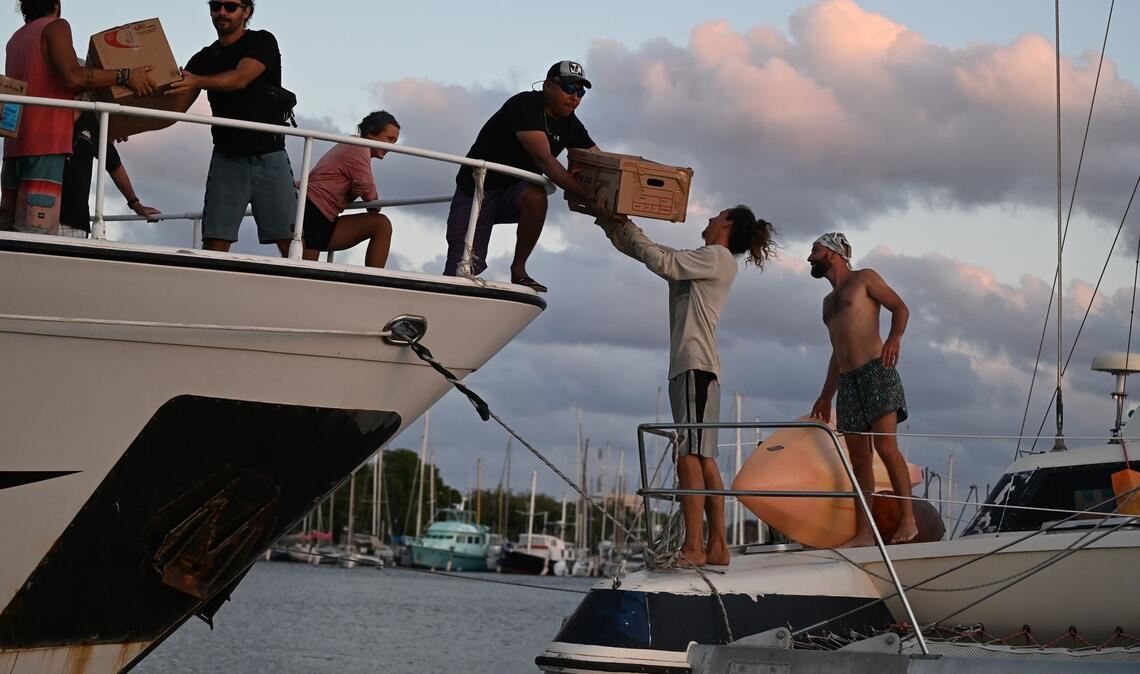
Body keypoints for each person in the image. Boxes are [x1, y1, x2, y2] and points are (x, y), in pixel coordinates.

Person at [596, 206, 777, 567]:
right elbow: (650, 252)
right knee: (703, 456)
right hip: (695, 368)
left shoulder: (715, 256)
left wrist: (623, 224)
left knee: (688, 455)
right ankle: (717, 547)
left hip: (695, 365)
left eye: (717, 215)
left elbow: (664, 262)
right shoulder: (705, 259)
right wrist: (611, 221)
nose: (709, 220)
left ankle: (695, 546)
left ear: (727, 223)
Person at [443, 60, 602, 291]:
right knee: (461, 269)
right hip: (477, 190)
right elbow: (543, 159)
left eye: (580, 92)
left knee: (536, 196)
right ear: (547, 85)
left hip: (513, 193)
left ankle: (519, 271)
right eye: (568, 88)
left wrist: (623, 189)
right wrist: (586, 195)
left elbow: (599, 160)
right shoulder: (525, 104)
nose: (574, 97)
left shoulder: (570, 123)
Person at [2, 0, 155, 236]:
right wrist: (125, 76)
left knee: (9, 236)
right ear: (56, 2)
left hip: (13, 151)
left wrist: (114, 124)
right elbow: (73, 77)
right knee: (36, 241)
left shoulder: (14, 40)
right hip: (45, 146)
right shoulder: (56, 26)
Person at [807, 233, 916, 545]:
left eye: (815, 250)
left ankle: (908, 520)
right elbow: (837, 351)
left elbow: (900, 307)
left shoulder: (864, 278)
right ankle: (864, 533)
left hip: (876, 371)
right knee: (858, 460)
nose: (809, 257)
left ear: (833, 252)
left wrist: (894, 339)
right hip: (848, 382)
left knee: (886, 448)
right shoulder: (827, 304)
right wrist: (826, 395)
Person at [166, 0, 295, 255]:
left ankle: (302, 284)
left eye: (230, 6)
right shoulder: (203, 59)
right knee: (215, 243)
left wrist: (197, 81)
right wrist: (128, 124)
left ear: (247, 11)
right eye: (216, 6)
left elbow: (240, 78)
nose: (222, 12)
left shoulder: (262, 41)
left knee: (292, 242)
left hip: (270, 155)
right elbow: (174, 110)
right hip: (227, 157)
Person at [300, 111, 399, 267]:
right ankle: (374, 279)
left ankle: (374, 279)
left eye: (394, 141)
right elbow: (372, 200)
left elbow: (360, 193)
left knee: (381, 225)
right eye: (389, 139)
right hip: (311, 210)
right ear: (372, 134)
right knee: (305, 270)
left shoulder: (355, 145)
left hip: (325, 216)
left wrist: (353, 193)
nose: (391, 147)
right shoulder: (359, 148)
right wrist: (368, 196)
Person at [59, 110, 161, 237]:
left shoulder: (90, 121)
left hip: (72, 221)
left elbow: (114, 164)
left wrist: (135, 203)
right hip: (38, 211)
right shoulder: (44, 112)